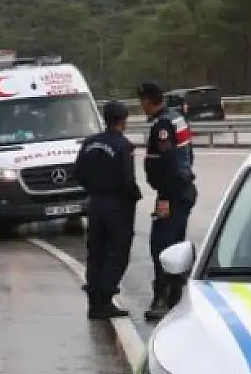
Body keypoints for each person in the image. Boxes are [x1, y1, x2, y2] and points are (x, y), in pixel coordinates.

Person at [74, 100, 142, 320]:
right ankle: (105, 297)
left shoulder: (89, 143)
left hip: (95, 203)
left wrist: (94, 189)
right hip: (117, 205)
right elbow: (127, 180)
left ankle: (94, 300)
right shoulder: (124, 146)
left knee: (96, 252)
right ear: (123, 121)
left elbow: (78, 173)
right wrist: (134, 196)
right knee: (117, 253)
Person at [137, 80, 197, 322]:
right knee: (175, 243)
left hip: (172, 193)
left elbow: (169, 161)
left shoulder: (162, 125)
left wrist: (164, 197)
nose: (141, 106)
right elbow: (187, 156)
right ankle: (175, 295)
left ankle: (163, 298)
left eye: (142, 100)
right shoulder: (175, 117)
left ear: (149, 100)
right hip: (181, 190)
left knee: (161, 247)